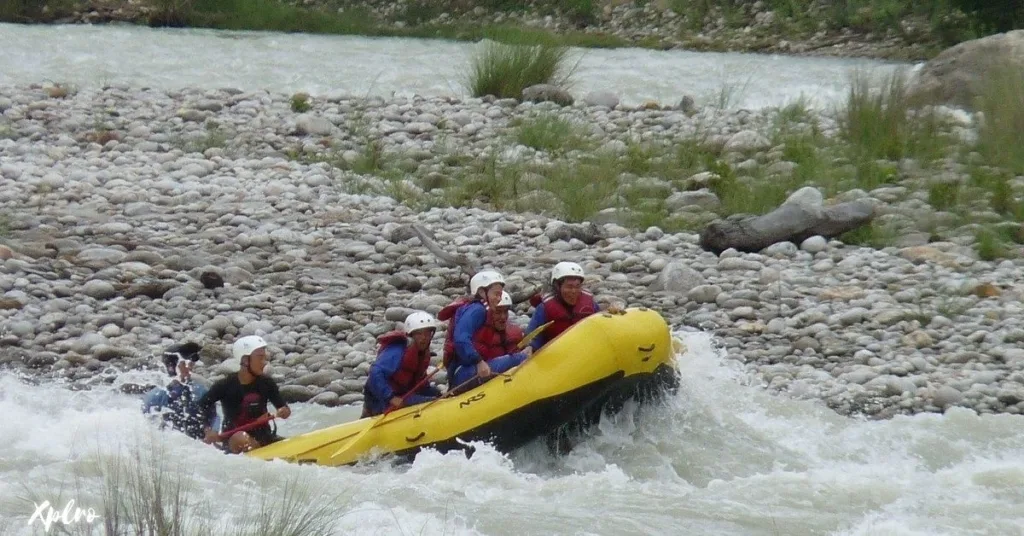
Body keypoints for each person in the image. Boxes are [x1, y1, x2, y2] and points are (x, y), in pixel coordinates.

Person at [196, 336, 291, 454]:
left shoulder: (267, 383)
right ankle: (262, 458)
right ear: (245, 360)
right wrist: (208, 430)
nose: (264, 363)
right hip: (235, 441)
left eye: (264, 358)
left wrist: (284, 411)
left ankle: (267, 454)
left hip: (265, 437)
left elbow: (284, 409)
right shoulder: (225, 385)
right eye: (260, 358)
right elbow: (201, 405)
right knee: (241, 437)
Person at [362, 311, 444, 418]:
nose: (424, 337)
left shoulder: (421, 352)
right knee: (431, 402)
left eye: (427, 333)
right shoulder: (397, 351)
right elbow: (375, 372)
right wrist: (390, 397)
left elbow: (416, 376)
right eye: (419, 333)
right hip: (380, 398)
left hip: (402, 392)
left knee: (436, 394)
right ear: (411, 335)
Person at [448, 291, 532, 395]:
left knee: (523, 356)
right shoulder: (477, 329)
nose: (503, 317)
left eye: (505, 312)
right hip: (464, 374)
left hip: (486, 373)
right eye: (498, 312)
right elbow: (461, 342)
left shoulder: (509, 333)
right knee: (520, 358)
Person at [526, 262, 622, 351]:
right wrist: (530, 348)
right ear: (557, 287)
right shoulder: (543, 309)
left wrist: (611, 314)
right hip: (555, 355)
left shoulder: (589, 304)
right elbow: (532, 339)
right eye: (569, 287)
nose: (574, 291)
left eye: (577, 286)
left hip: (584, 352)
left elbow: (601, 323)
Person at [438, 270, 507, 389]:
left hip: (464, 369)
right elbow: (460, 339)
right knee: (520, 359)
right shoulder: (477, 310)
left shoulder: (475, 308)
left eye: (500, 295)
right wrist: (479, 362)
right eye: (496, 294)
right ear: (481, 291)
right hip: (462, 373)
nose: (499, 298)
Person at [141, 342, 217, 440]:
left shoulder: (200, 390)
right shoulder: (156, 396)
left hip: (198, 442)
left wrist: (212, 431)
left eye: (191, 364)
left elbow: (214, 417)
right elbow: (146, 427)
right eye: (184, 364)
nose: (190, 367)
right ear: (171, 367)